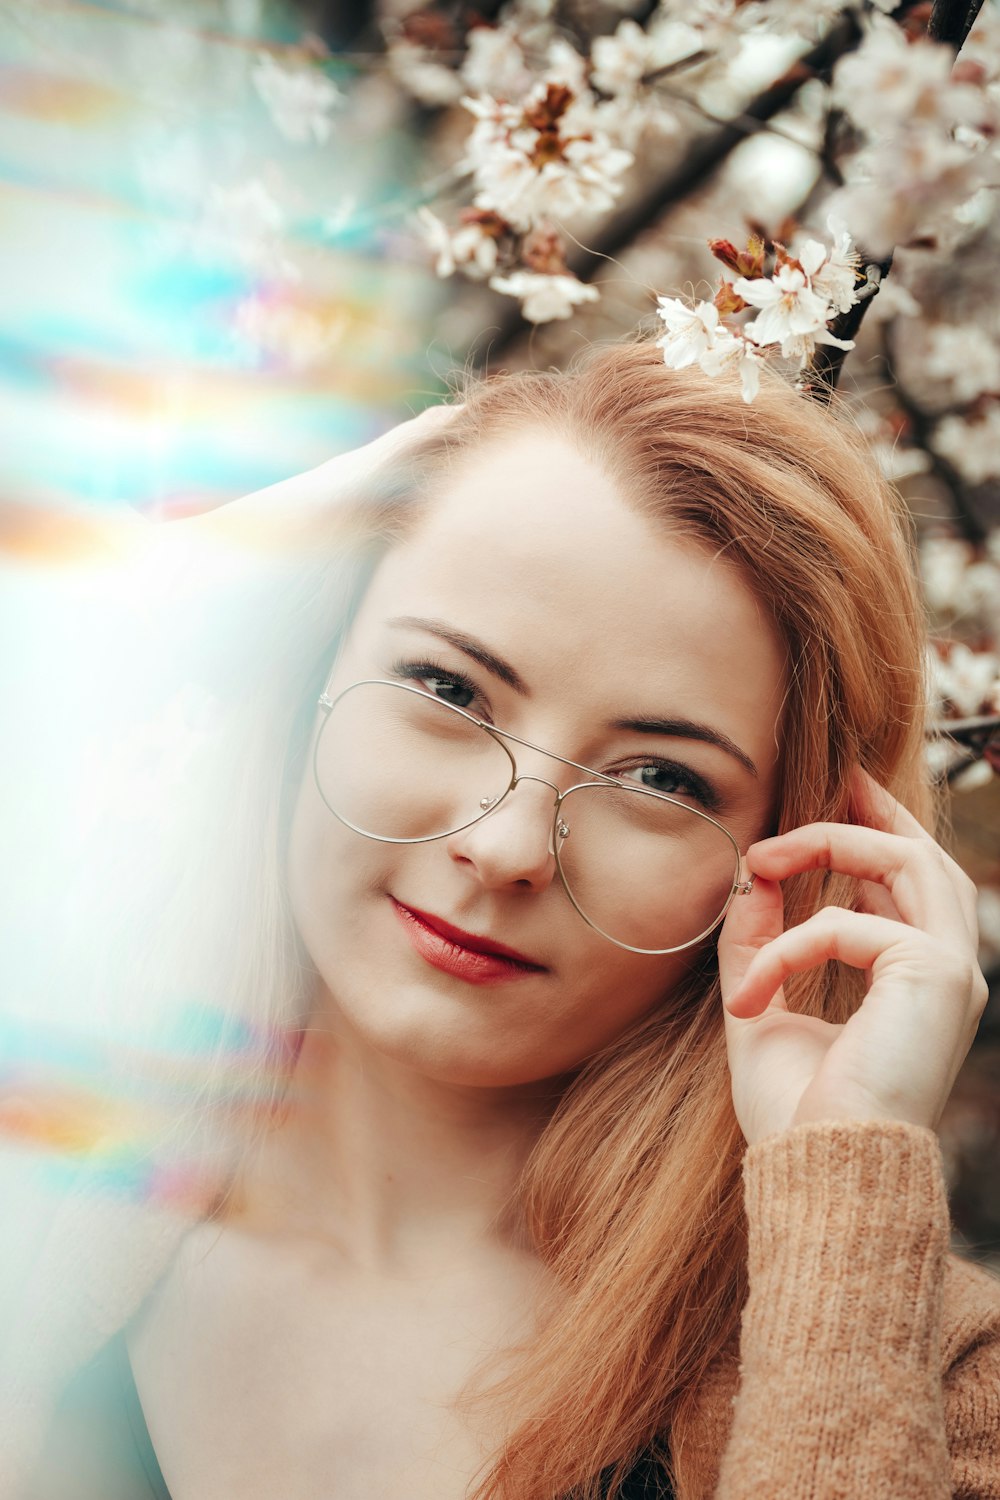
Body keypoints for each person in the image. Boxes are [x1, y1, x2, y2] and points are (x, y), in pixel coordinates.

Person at [4, 338, 999, 1500]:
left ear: (800, 851)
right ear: (308, 666)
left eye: (662, 780)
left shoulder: (934, 1378)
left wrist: (839, 1217)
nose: (508, 844)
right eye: (446, 690)